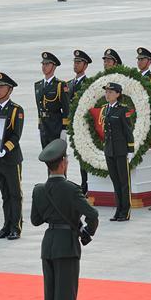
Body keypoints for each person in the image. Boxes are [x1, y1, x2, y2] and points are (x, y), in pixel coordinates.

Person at [30, 138, 99, 300]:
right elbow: (93, 214)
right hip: (67, 247)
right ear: (62, 164)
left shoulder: (39, 190)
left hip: (48, 246)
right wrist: (88, 232)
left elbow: (35, 220)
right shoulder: (70, 189)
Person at [0, 72, 24, 240]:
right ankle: (6, 226)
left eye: (2, 87)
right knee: (5, 195)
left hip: (11, 158)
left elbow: (16, 135)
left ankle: (16, 227)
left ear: (10, 89)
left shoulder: (16, 110)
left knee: (15, 194)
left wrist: (5, 149)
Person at [100, 82, 134, 221]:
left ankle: (125, 211)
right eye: (106, 92)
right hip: (110, 150)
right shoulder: (105, 109)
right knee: (115, 181)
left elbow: (128, 131)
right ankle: (118, 209)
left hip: (121, 150)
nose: (107, 94)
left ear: (118, 94)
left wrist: (130, 149)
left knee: (124, 182)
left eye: (110, 92)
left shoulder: (122, 110)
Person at [66, 50, 92, 194]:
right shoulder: (69, 84)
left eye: (79, 62)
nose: (75, 65)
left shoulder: (89, 83)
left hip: (84, 126)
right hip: (73, 126)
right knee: (78, 155)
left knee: (84, 157)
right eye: (75, 62)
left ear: (85, 65)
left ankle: (86, 185)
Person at [35, 52, 70, 149]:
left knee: (57, 159)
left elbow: (66, 108)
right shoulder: (38, 85)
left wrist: (64, 129)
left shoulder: (60, 85)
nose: (44, 67)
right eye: (43, 64)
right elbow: (39, 107)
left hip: (56, 126)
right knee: (46, 157)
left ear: (54, 66)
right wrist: (40, 125)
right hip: (44, 126)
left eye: (47, 64)